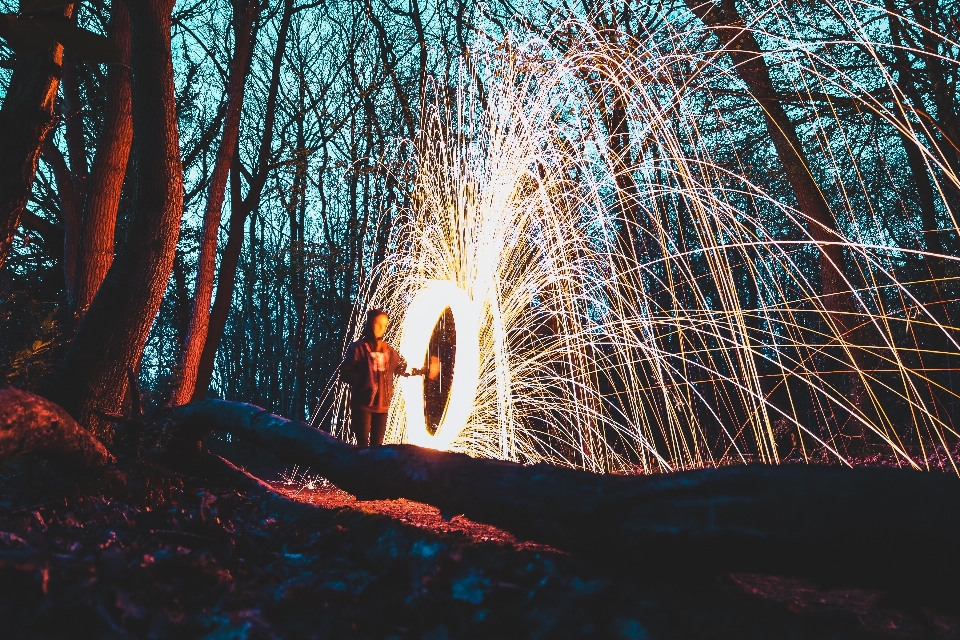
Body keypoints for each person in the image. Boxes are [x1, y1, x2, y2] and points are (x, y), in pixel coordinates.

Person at [340, 309, 420, 447]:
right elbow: (345, 372)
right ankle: (362, 468)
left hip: (382, 406)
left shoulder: (388, 351)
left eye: (385, 325)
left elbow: (402, 368)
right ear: (370, 323)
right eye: (378, 324)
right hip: (363, 405)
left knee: (377, 447)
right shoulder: (358, 348)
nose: (382, 328)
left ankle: (373, 468)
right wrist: (363, 382)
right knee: (363, 446)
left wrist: (423, 370)